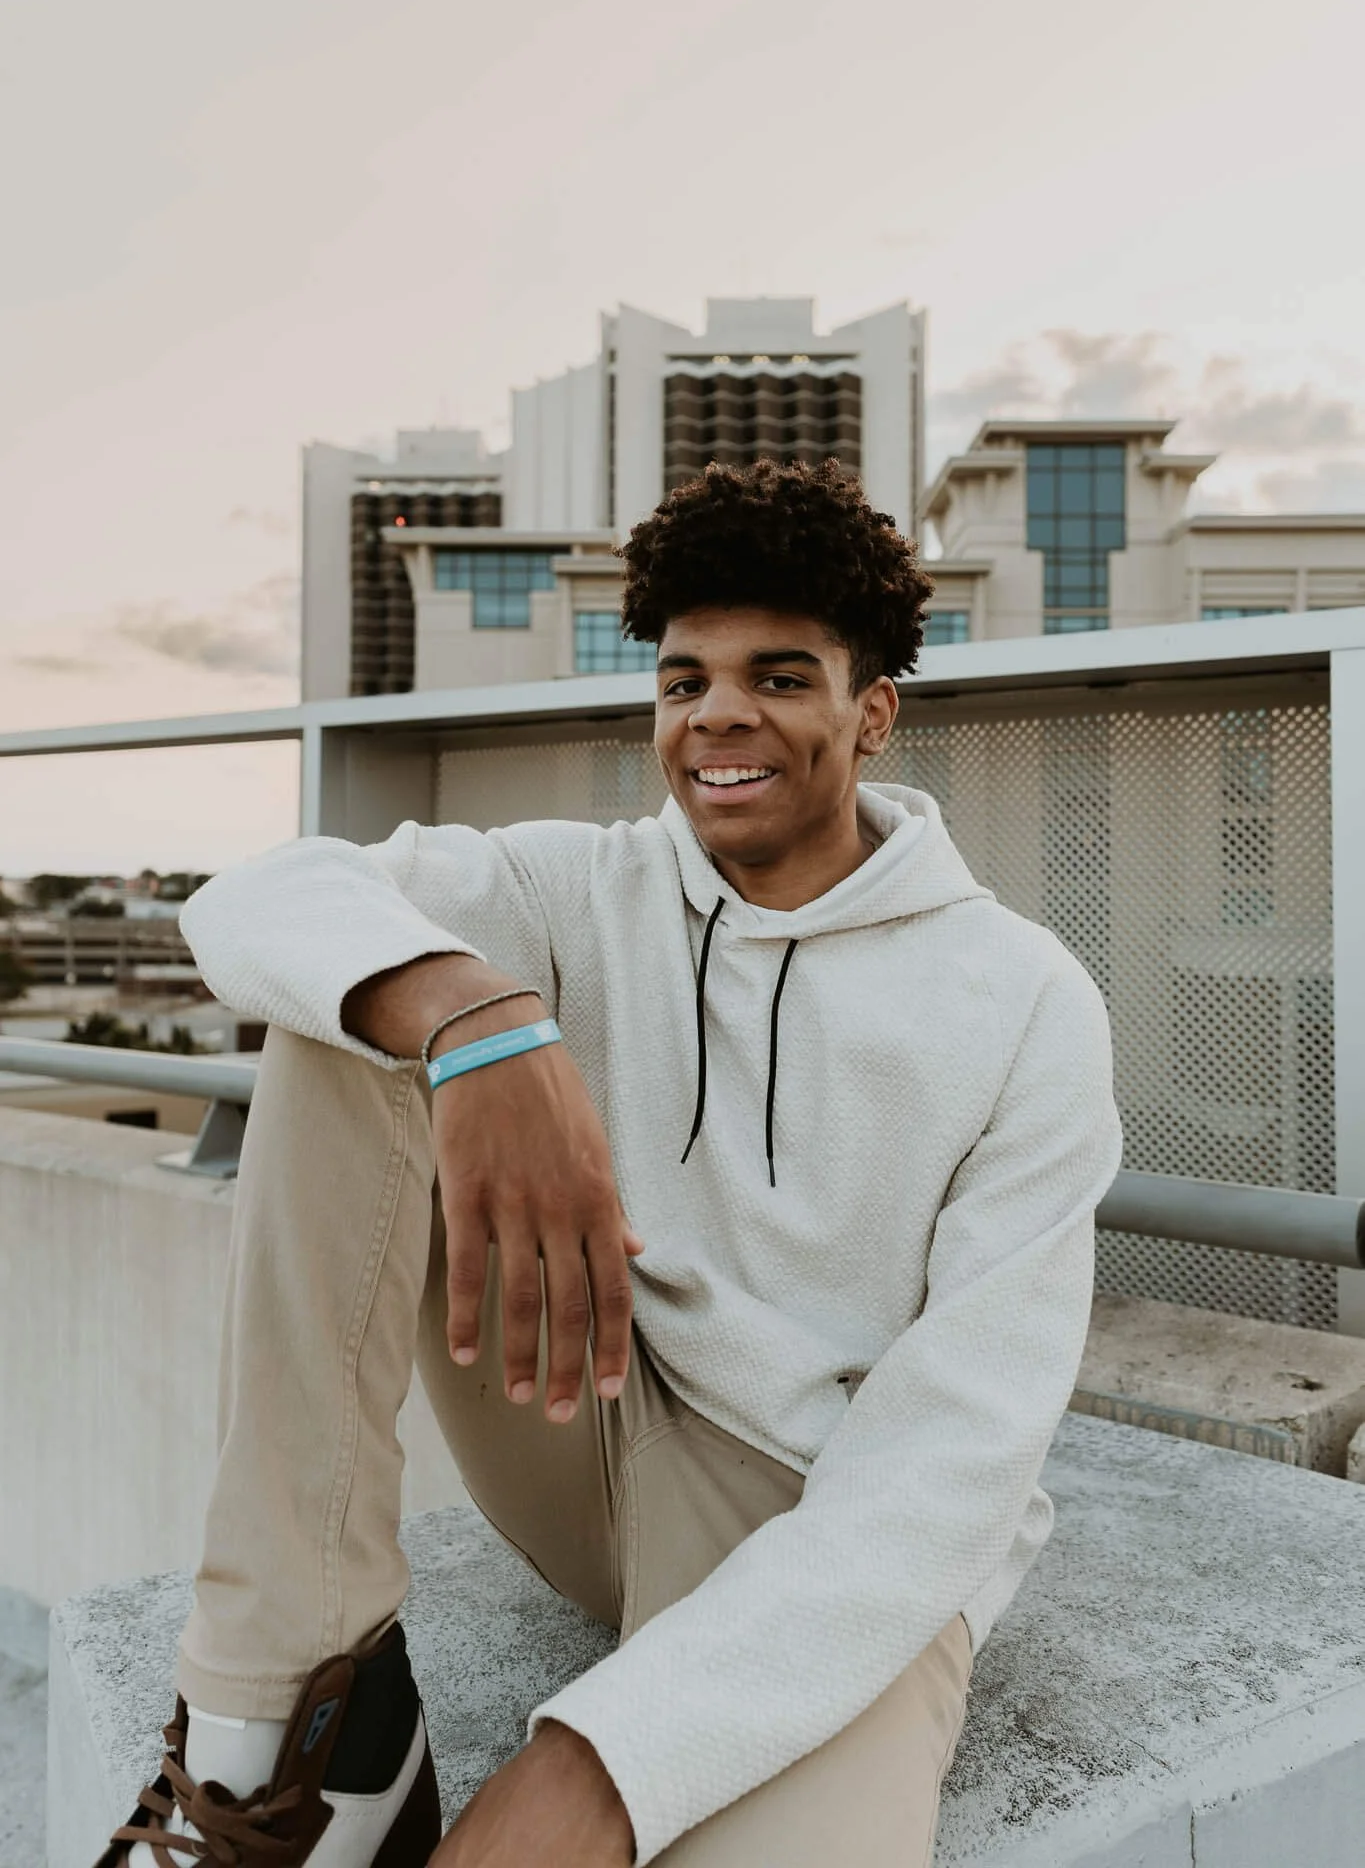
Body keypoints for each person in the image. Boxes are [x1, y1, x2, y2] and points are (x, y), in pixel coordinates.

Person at [100, 457, 1122, 1868]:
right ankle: (286, 1741)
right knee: (354, 1012)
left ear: (871, 711)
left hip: (827, 1513)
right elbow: (256, 899)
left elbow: (951, 1471)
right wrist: (480, 1016)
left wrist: (601, 1758)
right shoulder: (579, 889)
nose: (719, 716)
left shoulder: (1024, 999)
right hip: (579, 1418)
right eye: (684, 680)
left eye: (778, 676)